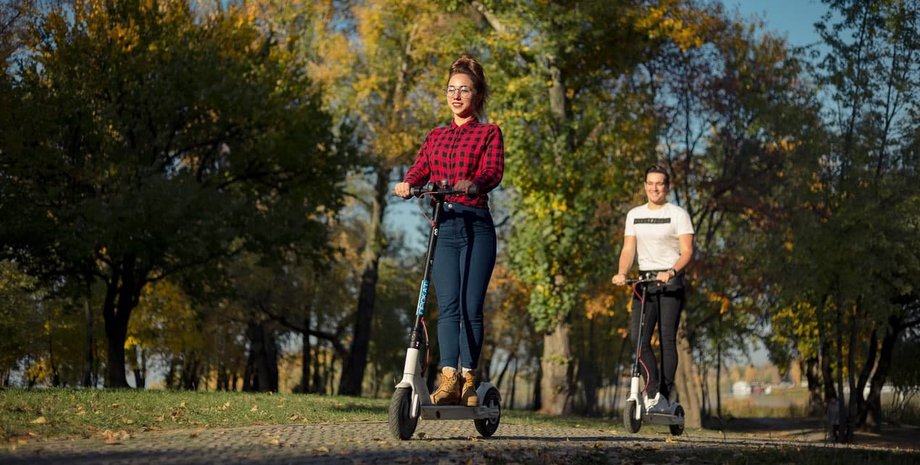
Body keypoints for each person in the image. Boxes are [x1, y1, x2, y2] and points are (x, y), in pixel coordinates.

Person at [393, 54, 503, 406]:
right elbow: (420, 169)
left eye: (464, 90)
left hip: (476, 225)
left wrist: (474, 184)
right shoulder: (436, 137)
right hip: (445, 225)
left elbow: (492, 171)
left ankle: (469, 378)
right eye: (451, 89)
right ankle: (448, 378)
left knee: (470, 306)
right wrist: (408, 183)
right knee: (448, 306)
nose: (456, 95)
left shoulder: (488, 133)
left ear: (477, 94)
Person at [612, 165, 694, 413]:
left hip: (670, 282)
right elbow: (629, 249)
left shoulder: (678, 214)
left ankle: (664, 397)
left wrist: (671, 271)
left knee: (667, 339)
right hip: (645, 282)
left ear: (667, 187)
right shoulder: (634, 215)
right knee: (638, 340)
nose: (654, 188)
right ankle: (652, 392)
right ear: (645, 185)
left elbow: (687, 251)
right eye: (650, 183)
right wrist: (622, 272)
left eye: (659, 183)